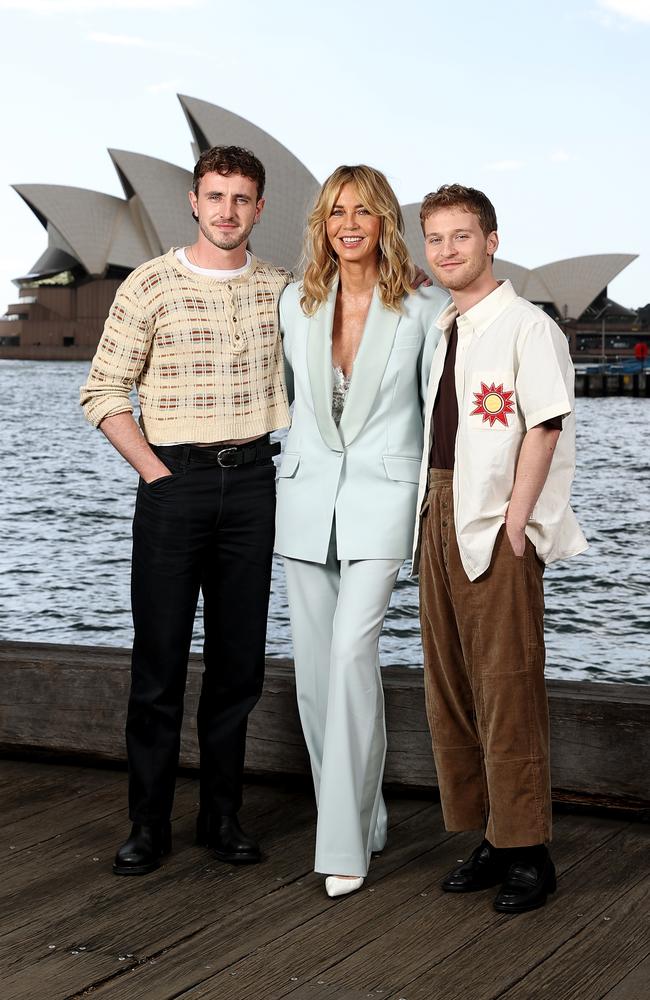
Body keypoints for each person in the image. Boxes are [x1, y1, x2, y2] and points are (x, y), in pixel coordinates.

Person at [80, 146, 291, 875]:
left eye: (241, 198)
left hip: (255, 481)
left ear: (259, 208)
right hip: (175, 484)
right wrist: (157, 476)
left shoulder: (282, 291)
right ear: (194, 204)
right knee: (159, 663)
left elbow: (347, 341)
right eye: (215, 196)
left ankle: (222, 818)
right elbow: (103, 392)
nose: (227, 210)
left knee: (239, 667)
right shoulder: (149, 286)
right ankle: (148, 825)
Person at [275, 165, 449, 898]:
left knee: (350, 655)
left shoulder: (421, 309)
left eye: (365, 211)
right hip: (306, 504)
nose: (350, 223)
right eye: (337, 211)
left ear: (384, 223)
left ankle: (343, 843)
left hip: (383, 502)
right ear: (323, 222)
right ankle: (366, 813)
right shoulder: (295, 302)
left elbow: (444, 411)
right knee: (316, 679)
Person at [413, 184, 588, 913]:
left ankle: (529, 851)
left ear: (491, 240)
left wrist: (516, 525)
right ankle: (490, 832)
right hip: (439, 509)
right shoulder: (445, 326)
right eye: (436, 239)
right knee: (452, 686)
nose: (448, 250)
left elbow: (542, 429)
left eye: (461, 235)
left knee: (506, 688)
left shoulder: (527, 326)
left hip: (496, 517)